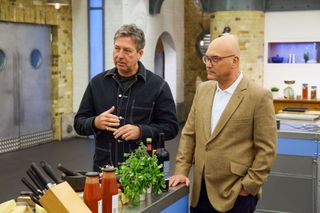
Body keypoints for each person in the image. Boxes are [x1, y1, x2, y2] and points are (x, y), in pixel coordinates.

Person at [169, 34, 277, 213]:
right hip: (200, 191)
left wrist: (248, 186)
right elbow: (189, 134)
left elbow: (266, 149)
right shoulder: (203, 90)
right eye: (207, 58)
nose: (208, 64)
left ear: (234, 61)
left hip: (235, 195)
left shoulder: (258, 97)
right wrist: (181, 171)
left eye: (215, 59)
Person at [74, 24, 179, 171]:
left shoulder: (158, 86)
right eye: (117, 48)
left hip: (142, 172)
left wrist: (141, 131)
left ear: (140, 53)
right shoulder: (97, 83)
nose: (120, 55)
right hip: (104, 170)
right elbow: (79, 123)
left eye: (127, 50)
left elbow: (171, 128)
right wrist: (95, 122)